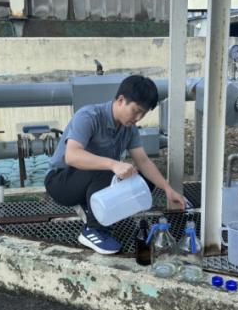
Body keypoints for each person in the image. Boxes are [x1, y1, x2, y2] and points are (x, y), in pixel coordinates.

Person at [45, 75, 186, 255]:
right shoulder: (89, 116)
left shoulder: (129, 129)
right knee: (107, 169)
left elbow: (143, 161)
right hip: (61, 182)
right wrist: (113, 164)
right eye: (136, 111)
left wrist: (167, 189)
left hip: (91, 179)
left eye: (143, 114)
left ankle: (98, 208)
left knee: (143, 181)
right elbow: (71, 156)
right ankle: (93, 230)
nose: (138, 118)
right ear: (120, 100)